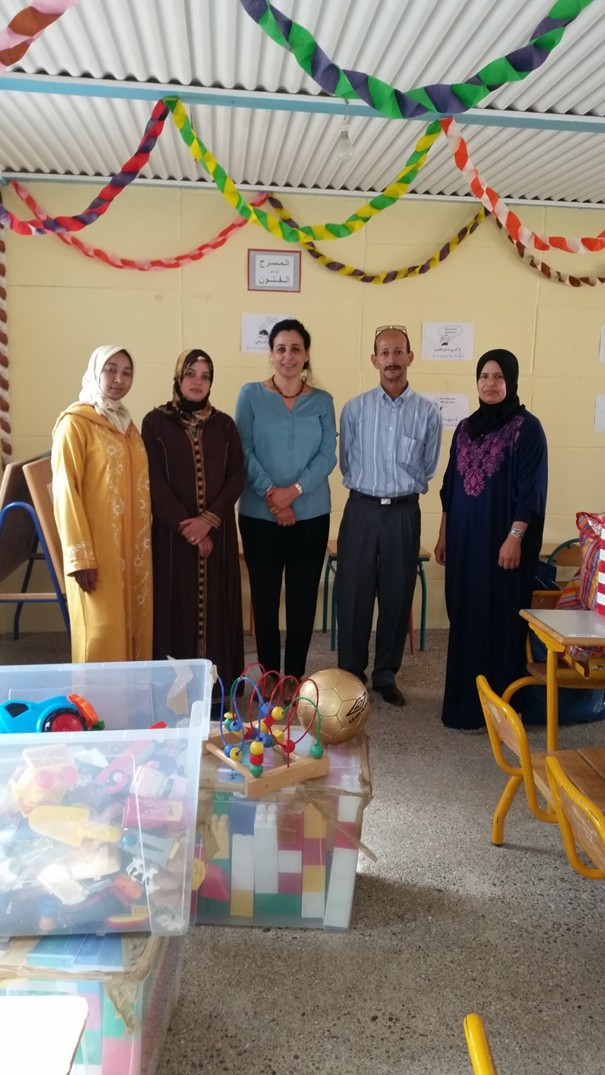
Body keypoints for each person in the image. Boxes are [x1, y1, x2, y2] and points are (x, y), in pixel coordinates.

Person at [435, 348, 548, 731]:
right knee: (466, 618)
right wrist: (443, 534)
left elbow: (531, 490)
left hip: (503, 547)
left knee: (498, 621)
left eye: (499, 377)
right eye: (484, 376)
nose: (490, 384)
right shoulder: (465, 428)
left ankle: (502, 714)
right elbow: (451, 488)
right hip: (465, 545)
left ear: (511, 381)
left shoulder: (527, 428)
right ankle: (464, 708)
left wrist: (515, 537)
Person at [337, 325, 442, 707]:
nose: (392, 360)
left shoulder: (427, 413)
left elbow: (428, 467)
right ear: (374, 359)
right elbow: (346, 460)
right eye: (385, 352)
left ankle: (385, 675)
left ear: (410, 357)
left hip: (403, 512)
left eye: (399, 352)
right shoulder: (355, 409)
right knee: (353, 594)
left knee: (398, 594)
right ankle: (350, 673)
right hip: (361, 509)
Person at [235, 318, 336, 687]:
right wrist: (271, 495)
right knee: (264, 598)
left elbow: (327, 457)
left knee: (301, 599)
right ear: (271, 354)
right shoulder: (250, 395)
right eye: (281, 348)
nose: (288, 356)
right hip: (258, 514)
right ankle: (269, 674)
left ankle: (293, 675)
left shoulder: (323, 401)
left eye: (296, 348)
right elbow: (243, 450)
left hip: (311, 514)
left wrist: (292, 493)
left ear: (306, 354)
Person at [141, 348, 245, 696]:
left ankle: (217, 694)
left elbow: (236, 477)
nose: (198, 382)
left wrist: (209, 522)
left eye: (205, 376)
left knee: (217, 609)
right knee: (176, 608)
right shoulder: (154, 423)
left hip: (218, 537)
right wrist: (189, 526)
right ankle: (174, 697)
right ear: (178, 378)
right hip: (174, 540)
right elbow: (154, 482)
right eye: (191, 374)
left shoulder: (225, 425)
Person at [51, 344, 152, 663]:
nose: (119, 379)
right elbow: (65, 492)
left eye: (127, 372)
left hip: (132, 552)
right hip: (97, 552)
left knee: (132, 626)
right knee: (101, 632)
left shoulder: (126, 425)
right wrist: (79, 558)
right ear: (96, 372)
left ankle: (131, 709)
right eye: (111, 369)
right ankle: (94, 710)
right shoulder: (75, 423)